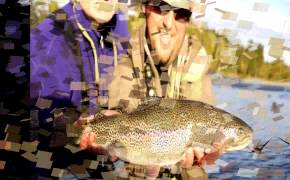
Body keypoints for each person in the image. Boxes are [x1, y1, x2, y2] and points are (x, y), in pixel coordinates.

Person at [79, 0, 221, 179]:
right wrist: (104, 132)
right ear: (146, 7)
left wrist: (207, 156)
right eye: (160, 7)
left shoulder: (197, 61)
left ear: (188, 18)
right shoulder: (122, 54)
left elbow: (211, 147)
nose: (168, 23)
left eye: (181, 13)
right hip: (131, 170)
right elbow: (123, 111)